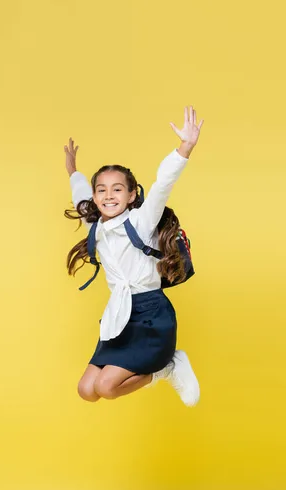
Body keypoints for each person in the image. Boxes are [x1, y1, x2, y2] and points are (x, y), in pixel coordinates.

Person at [63, 105, 204, 406]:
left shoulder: (141, 220)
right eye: (101, 190)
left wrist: (185, 148)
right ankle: (161, 367)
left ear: (130, 195)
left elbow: (162, 185)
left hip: (151, 315)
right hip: (120, 315)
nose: (108, 195)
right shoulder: (96, 226)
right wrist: (74, 171)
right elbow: (80, 197)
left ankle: (169, 367)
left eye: (117, 189)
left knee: (108, 387)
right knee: (88, 391)